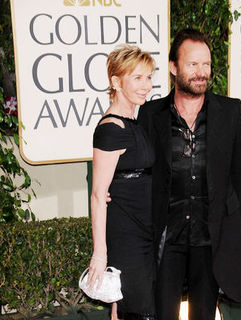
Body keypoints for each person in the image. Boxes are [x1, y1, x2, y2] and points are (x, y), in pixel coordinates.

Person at [138, 28, 241, 320]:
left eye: (206, 64)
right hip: (167, 236)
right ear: (174, 68)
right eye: (192, 64)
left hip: (211, 236)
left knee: (204, 314)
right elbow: (141, 173)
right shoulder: (151, 115)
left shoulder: (231, 111)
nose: (201, 72)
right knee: (164, 313)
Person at [87, 44, 156, 320]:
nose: (146, 85)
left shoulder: (134, 121)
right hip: (127, 235)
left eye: (149, 77)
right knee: (140, 311)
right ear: (116, 82)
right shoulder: (110, 130)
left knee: (125, 307)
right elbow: (97, 195)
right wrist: (100, 254)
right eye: (137, 78)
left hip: (145, 229)